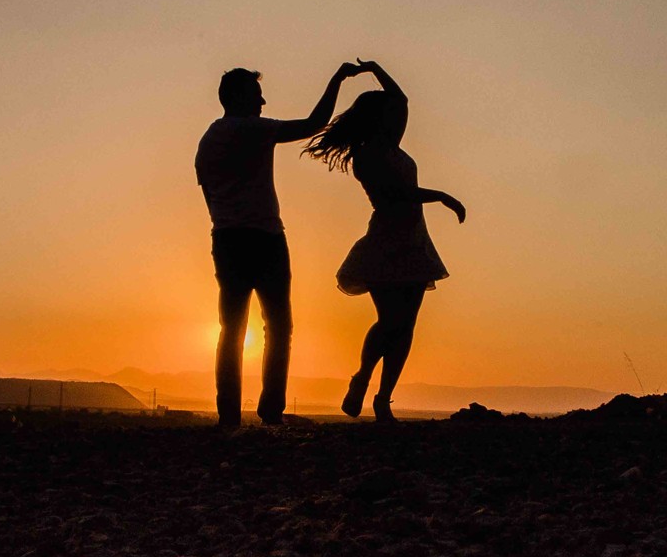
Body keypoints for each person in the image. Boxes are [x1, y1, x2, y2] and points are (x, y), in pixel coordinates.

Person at [196, 61, 361, 427]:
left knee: (232, 327)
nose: (263, 101)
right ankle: (271, 411)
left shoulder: (208, 140)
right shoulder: (250, 129)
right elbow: (313, 124)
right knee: (279, 325)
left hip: (226, 238)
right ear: (238, 97)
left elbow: (208, 192)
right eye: (256, 95)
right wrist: (336, 80)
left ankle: (229, 415)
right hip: (264, 238)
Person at [304, 60, 466, 422]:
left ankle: (383, 398)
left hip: (415, 241)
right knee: (390, 321)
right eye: (387, 113)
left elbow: (402, 98)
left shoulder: (392, 145)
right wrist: (440, 195)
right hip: (385, 243)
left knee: (406, 327)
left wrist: (376, 67)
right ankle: (361, 378)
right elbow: (397, 193)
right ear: (376, 118)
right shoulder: (367, 156)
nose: (396, 116)